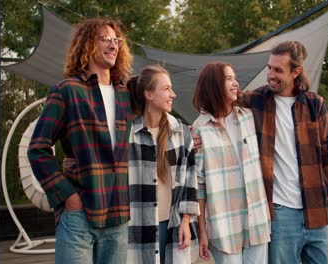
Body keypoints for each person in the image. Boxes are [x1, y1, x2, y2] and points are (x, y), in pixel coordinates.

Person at [27, 18, 133, 263]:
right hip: (80, 215)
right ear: (87, 44)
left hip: (118, 216)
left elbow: (158, 99)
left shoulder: (126, 95)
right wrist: (67, 196)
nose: (113, 45)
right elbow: (38, 149)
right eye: (104, 39)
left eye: (116, 40)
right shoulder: (67, 90)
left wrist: (192, 137)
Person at [241, 41, 328, 264]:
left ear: (296, 71)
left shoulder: (315, 105)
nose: (271, 74)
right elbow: (219, 102)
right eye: (269, 68)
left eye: (278, 70)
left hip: (316, 209)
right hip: (280, 214)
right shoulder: (256, 101)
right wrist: (196, 133)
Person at [192, 62, 271, 264]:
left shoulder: (248, 117)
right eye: (229, 79)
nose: (236, 83)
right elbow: (198, 186)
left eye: (235, 78)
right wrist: (201, 231)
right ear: (214, 85)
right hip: (223, 226)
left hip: (256, 221)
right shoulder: (199, 129)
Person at [125, 65, 199, 264]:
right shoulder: (129, 135)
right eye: (166, 89)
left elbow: (191, 183)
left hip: (173, 227)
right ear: (148, 94)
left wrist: (186, 221)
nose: (173, 94)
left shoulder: (182, 134)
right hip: (138, 229)